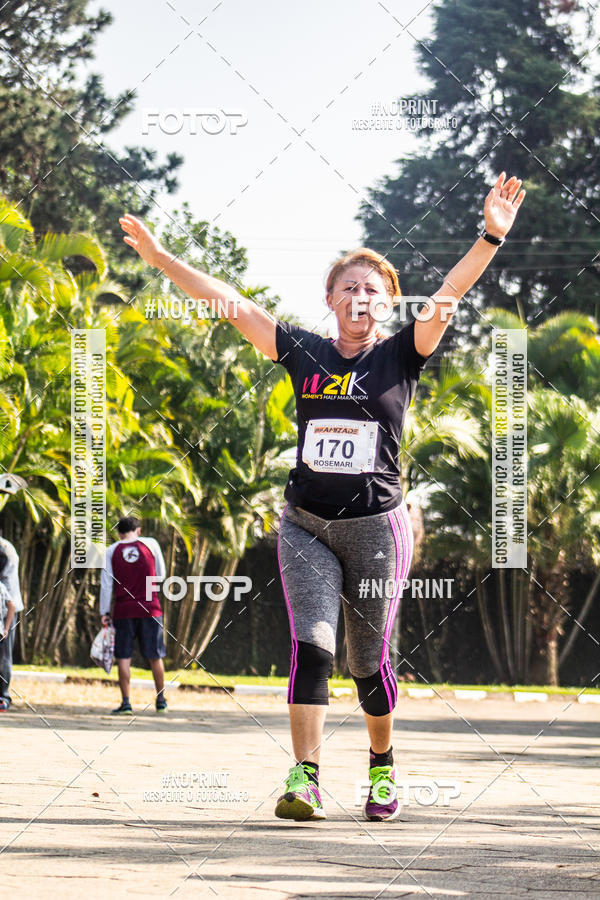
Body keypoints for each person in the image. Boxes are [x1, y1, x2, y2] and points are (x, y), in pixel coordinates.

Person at [119, 172, 525, 820]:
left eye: (372, 288)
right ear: (330, 299)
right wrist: (161, 258)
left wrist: (490, 236)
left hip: (377, 531)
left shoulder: (402, 356)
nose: (359, 295)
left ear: (386, 303)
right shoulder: (303, 353)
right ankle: (304, 777)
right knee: (312, 645)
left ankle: (382, 768)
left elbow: (449, 293)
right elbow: (229, 303)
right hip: (305, 524)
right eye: (348, 286)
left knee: (368, 663)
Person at [100, 515, 168, 715]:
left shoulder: (111, 551)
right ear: (138, 530)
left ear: (119, 534)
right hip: (151, 608)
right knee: (155, 655)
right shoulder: (151, 544)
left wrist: (104, 612)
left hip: (124, 610)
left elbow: (106, 585)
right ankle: (161, 700)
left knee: (123, 657)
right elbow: (161, 575)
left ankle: (126, 703)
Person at [0, 536, 22, 711]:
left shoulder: (5, 549)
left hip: (6, 610)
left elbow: (10, 601)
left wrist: (6, 627)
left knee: (4, 655)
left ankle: (3, 695)